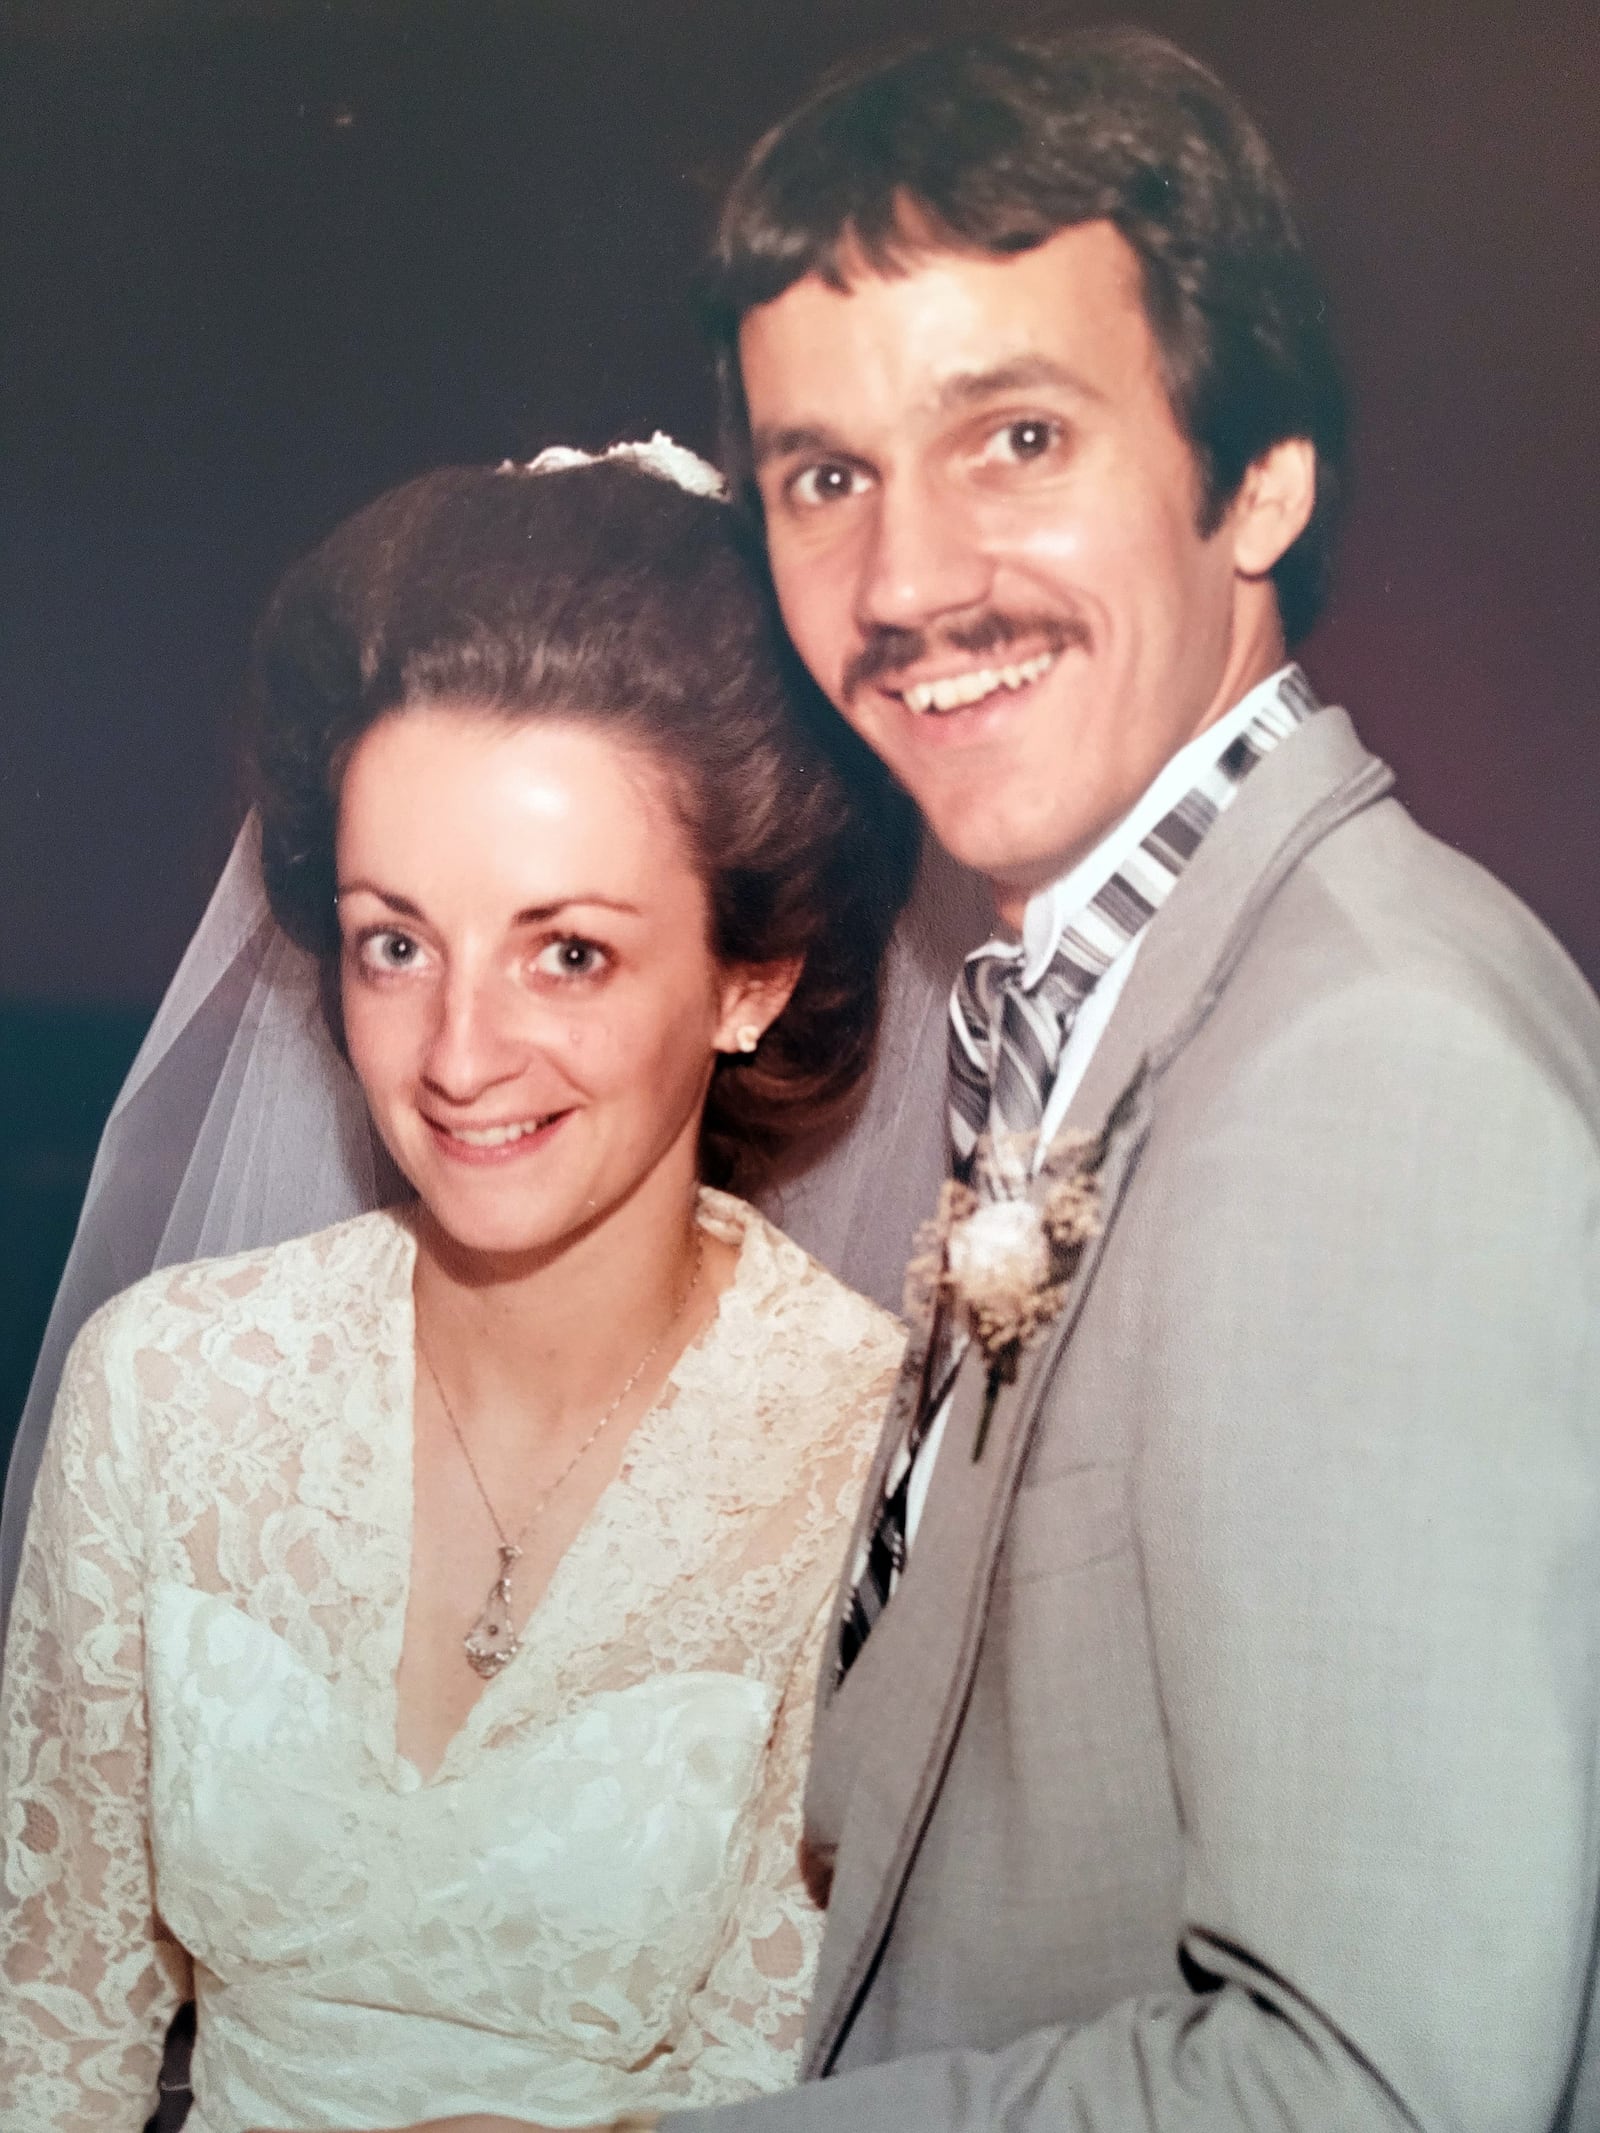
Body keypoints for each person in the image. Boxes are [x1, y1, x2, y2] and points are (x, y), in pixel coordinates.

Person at [390, 28, 1600, 2133]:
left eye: (1013, 435)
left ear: (1260, 476)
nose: (905, 582)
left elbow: (1376, 2083)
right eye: (823, 475)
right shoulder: (1113, 995)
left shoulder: (1365, 1073)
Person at [0, 444, 922, 2130]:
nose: (460, 1053)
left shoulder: (870, 1451)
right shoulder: (167, 1387)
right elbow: (40, 2034)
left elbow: (786, 2069)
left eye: (567, 949)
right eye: (394, 941)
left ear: (748, 977)